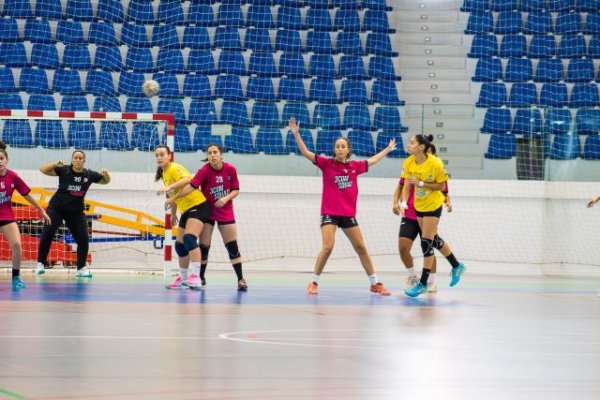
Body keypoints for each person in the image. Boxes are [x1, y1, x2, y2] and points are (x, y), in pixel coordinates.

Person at [289, 118, 396, 295]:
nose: (339, 149)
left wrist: (387, 149)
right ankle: (314, 282)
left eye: (343, 146)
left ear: (348, 150)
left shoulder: (355, 167)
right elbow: (306, 152)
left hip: (347, 215)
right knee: (328, 246)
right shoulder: (326, 164)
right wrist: (296, 134)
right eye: (337, 146)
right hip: (330, 213)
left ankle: (375, 283)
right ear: (334, 150)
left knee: (361, 247)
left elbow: (373, 160)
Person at [166, 144, 247, 291]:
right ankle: (200, 278)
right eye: (209, 153)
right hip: (208, 213)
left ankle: (240, 279)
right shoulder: (204, 170)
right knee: (204, 247)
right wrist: (174, 198)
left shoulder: (230, 169)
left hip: (225, 212)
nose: (212, 155)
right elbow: (191, 186)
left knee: (232, 247)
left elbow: (236, 190)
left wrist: (225, 198)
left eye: (215, 152)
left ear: (221, 154)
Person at [399, 134, 465, 298]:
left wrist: (421, 183)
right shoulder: (409, 162)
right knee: (434, 239)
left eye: (412, 142)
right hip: (419, 205)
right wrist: (403, 202)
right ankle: (457, 266)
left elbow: (442, 185)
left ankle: (423, 283)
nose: (409, 145)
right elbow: (407, 184)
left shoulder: (435, 163)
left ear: (421, 147)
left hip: (433, 205)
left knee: (426, 242)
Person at [35, 150, 110, 277]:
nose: (78, 160)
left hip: (75, 212)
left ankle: (81, 269)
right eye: (76, 157)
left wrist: (106, 174)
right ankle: (40, 264)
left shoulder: (89, 174)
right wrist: (55, 163)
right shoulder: (64, 170)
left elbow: (105, 181)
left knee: (83, 239)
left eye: (81, 158)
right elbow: (42, 169)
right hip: (56, 208)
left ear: (84, 160)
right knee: (47, 233)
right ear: (72, 159)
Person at [392, 144, 452, 293]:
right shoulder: (411, 166)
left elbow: (443, 190)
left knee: (428, 246)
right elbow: (402, 185)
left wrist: (448, 201)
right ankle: (412, 276)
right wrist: (397, 203)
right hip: (411, 213)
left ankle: (431, 281)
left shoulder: (436, 168)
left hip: (428, 212)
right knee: (403, 247)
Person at [155, 145, 209, 290]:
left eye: (162, 154)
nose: (159, 158)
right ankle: (183, 279)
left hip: (199, 205)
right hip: (186, 210)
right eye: (157, 155)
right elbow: (174, 197)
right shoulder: (165, 174)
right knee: (179, 245)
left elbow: (187, 180)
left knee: (189, 238)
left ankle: (197, 277)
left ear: (169, 156)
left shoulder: (174, 168)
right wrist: (173, 214)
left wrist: (168, 188)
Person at [0, 141, 51, 289]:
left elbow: (26, 194)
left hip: (6, 217)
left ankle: (16, 278)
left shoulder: (13, 176)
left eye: (1, 158)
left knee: (16, 244)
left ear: (6, 160)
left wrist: (41, 210)